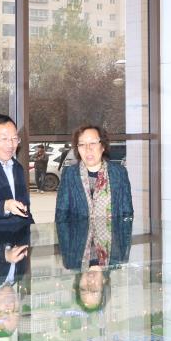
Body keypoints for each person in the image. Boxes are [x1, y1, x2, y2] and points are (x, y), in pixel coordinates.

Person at [56, 124, 134, 312]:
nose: (88, 149)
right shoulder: (70, 174)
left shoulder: (118, 173)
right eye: (82, 144)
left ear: (103, 146)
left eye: (93, 143)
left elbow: (127, 213)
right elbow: (61, 216)